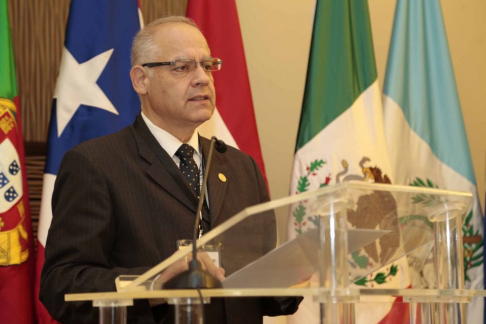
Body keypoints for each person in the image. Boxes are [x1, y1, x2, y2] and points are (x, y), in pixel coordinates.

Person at [40, 16, 301, 323]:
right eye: (182, 67)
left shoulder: (242, 167)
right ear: (141, 80)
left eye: (207, 65)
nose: (202, 78)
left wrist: (289, 275)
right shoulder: (95, 164)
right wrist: (155, 285)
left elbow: (258, 286)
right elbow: (63, 284)